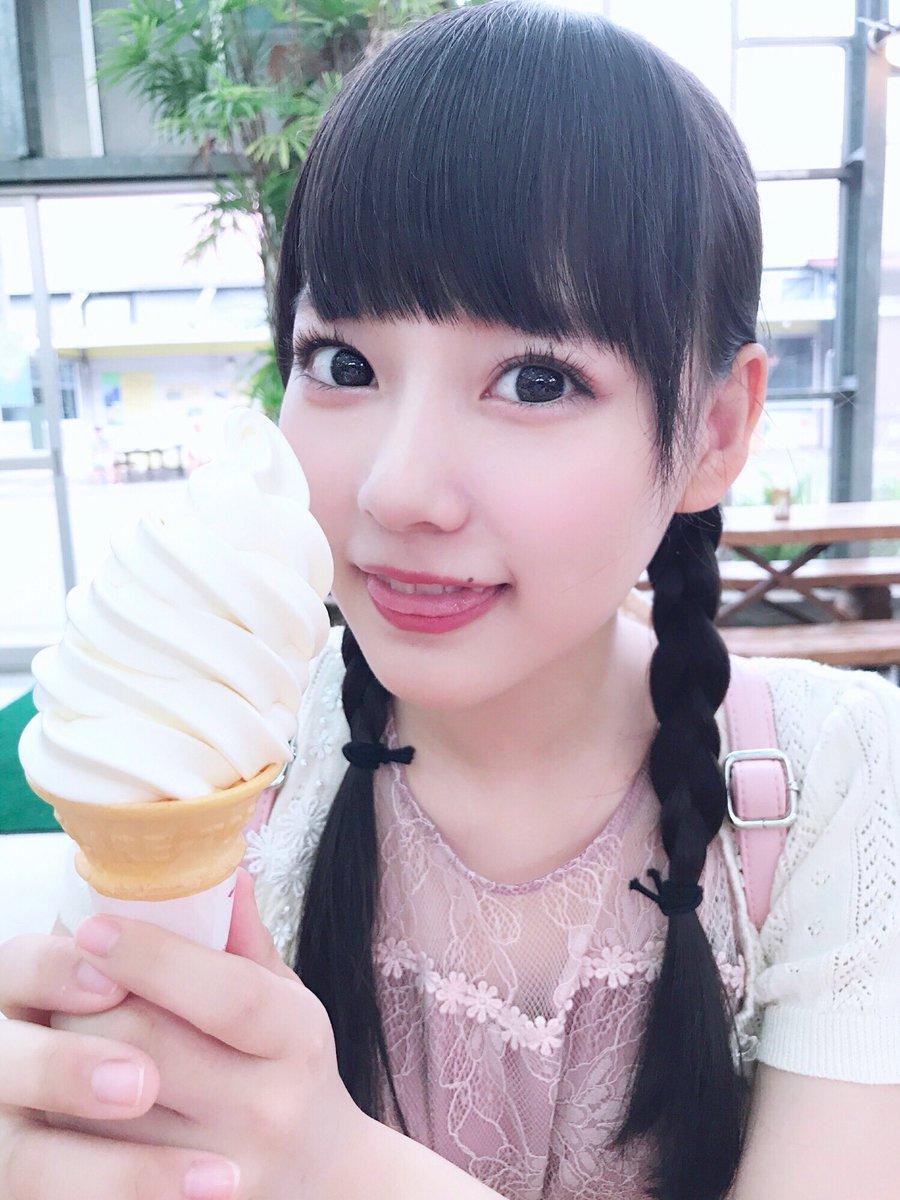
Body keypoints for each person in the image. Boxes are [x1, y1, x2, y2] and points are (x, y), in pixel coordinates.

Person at [1, 5, 899, 1200]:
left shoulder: (836, 787)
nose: (397, 487)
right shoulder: (225, 760)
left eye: (535, 380)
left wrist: (328, 1163)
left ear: (716, 429)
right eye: (344, 365)